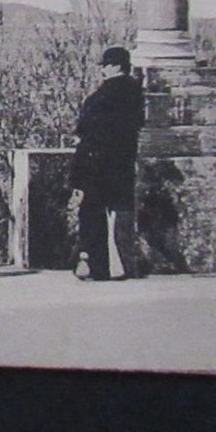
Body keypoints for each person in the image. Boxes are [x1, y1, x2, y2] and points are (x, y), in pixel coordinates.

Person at [69, 46, 144, 281]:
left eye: (105, 65)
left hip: (98, 163)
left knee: (92, 213)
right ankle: (120, 265)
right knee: (119, 212)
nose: (102, 69)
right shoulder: (135, 93)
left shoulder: (103, 96)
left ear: (115, 66)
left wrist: (79, 169)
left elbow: (88, 130)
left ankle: (98, 265)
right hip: (122, 161)